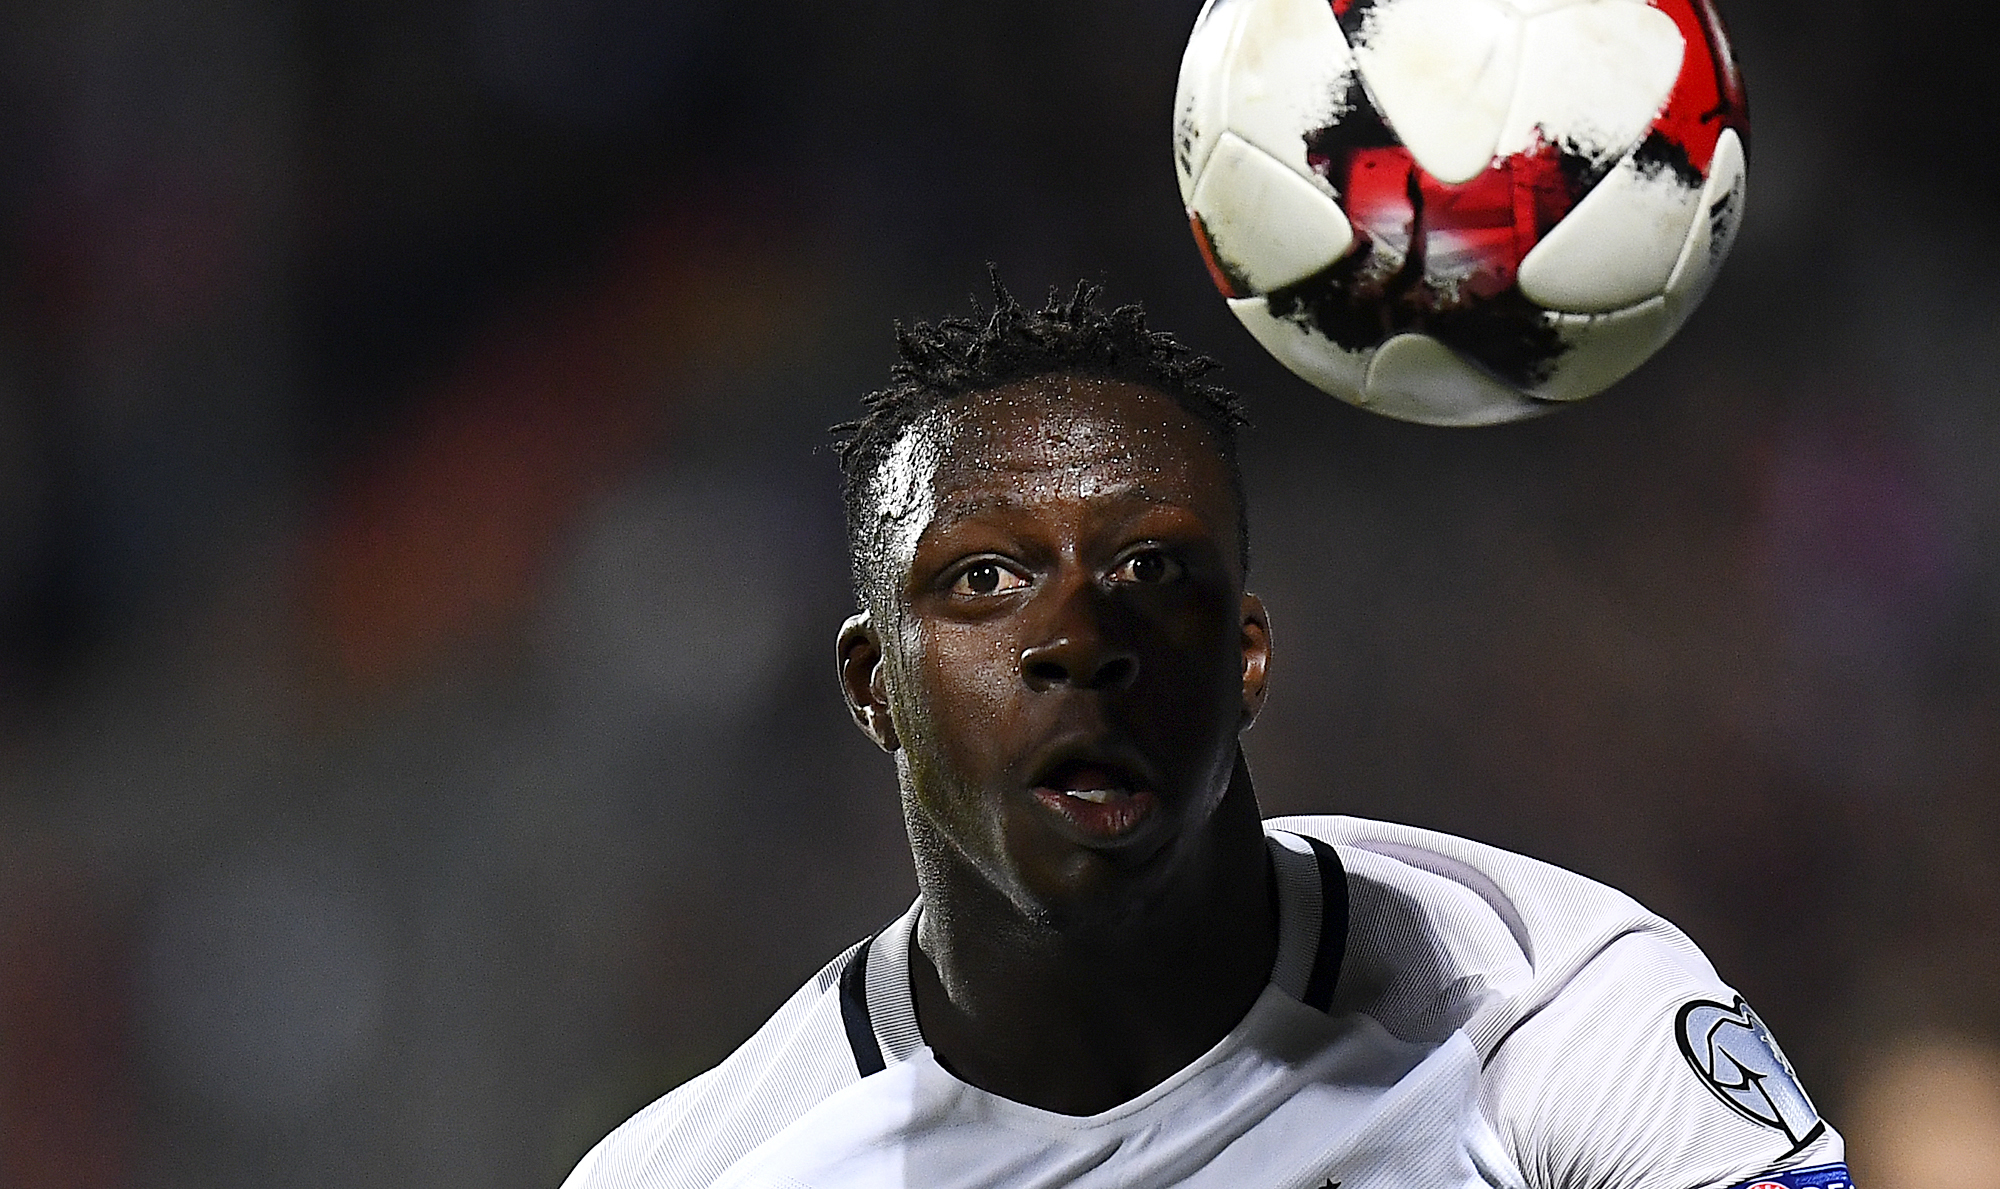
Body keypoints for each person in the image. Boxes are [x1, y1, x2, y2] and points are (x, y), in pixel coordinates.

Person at [559, 280, 1851, 1189]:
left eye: (1151, 568)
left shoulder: (1550, 1005)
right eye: (984, 579)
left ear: (1246, 657)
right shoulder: (702, 1171)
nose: (1077, 634)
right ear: (871, 683)